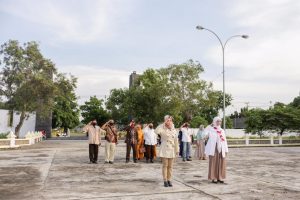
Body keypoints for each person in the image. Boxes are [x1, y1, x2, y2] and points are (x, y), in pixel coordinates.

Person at [155, 115, 179, 187]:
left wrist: (177, 150)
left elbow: (176, 140)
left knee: (170, 166)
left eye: (170, 120)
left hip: (172, 149)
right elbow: (156, 131)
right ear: (165, 121)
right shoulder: (162, 128)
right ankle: (165, 180)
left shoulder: (174, 129)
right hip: (165, 148)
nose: (169, 121)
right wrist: (163, 124)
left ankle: (169, 179)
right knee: (165, 165)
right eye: (168, 120)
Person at [205, 117, 228, 183]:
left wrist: (226, 149)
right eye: (217, 121)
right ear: (214, 121)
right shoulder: (211, 129)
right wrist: (209, 126)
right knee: (214, 163)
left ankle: (220, 177)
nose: (219, 123)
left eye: (220, 121)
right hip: (214, 149)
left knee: (221, 163)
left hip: (221, 148)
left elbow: (224, 140)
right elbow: (205, 134)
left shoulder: (222, 130)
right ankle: (214, 177)